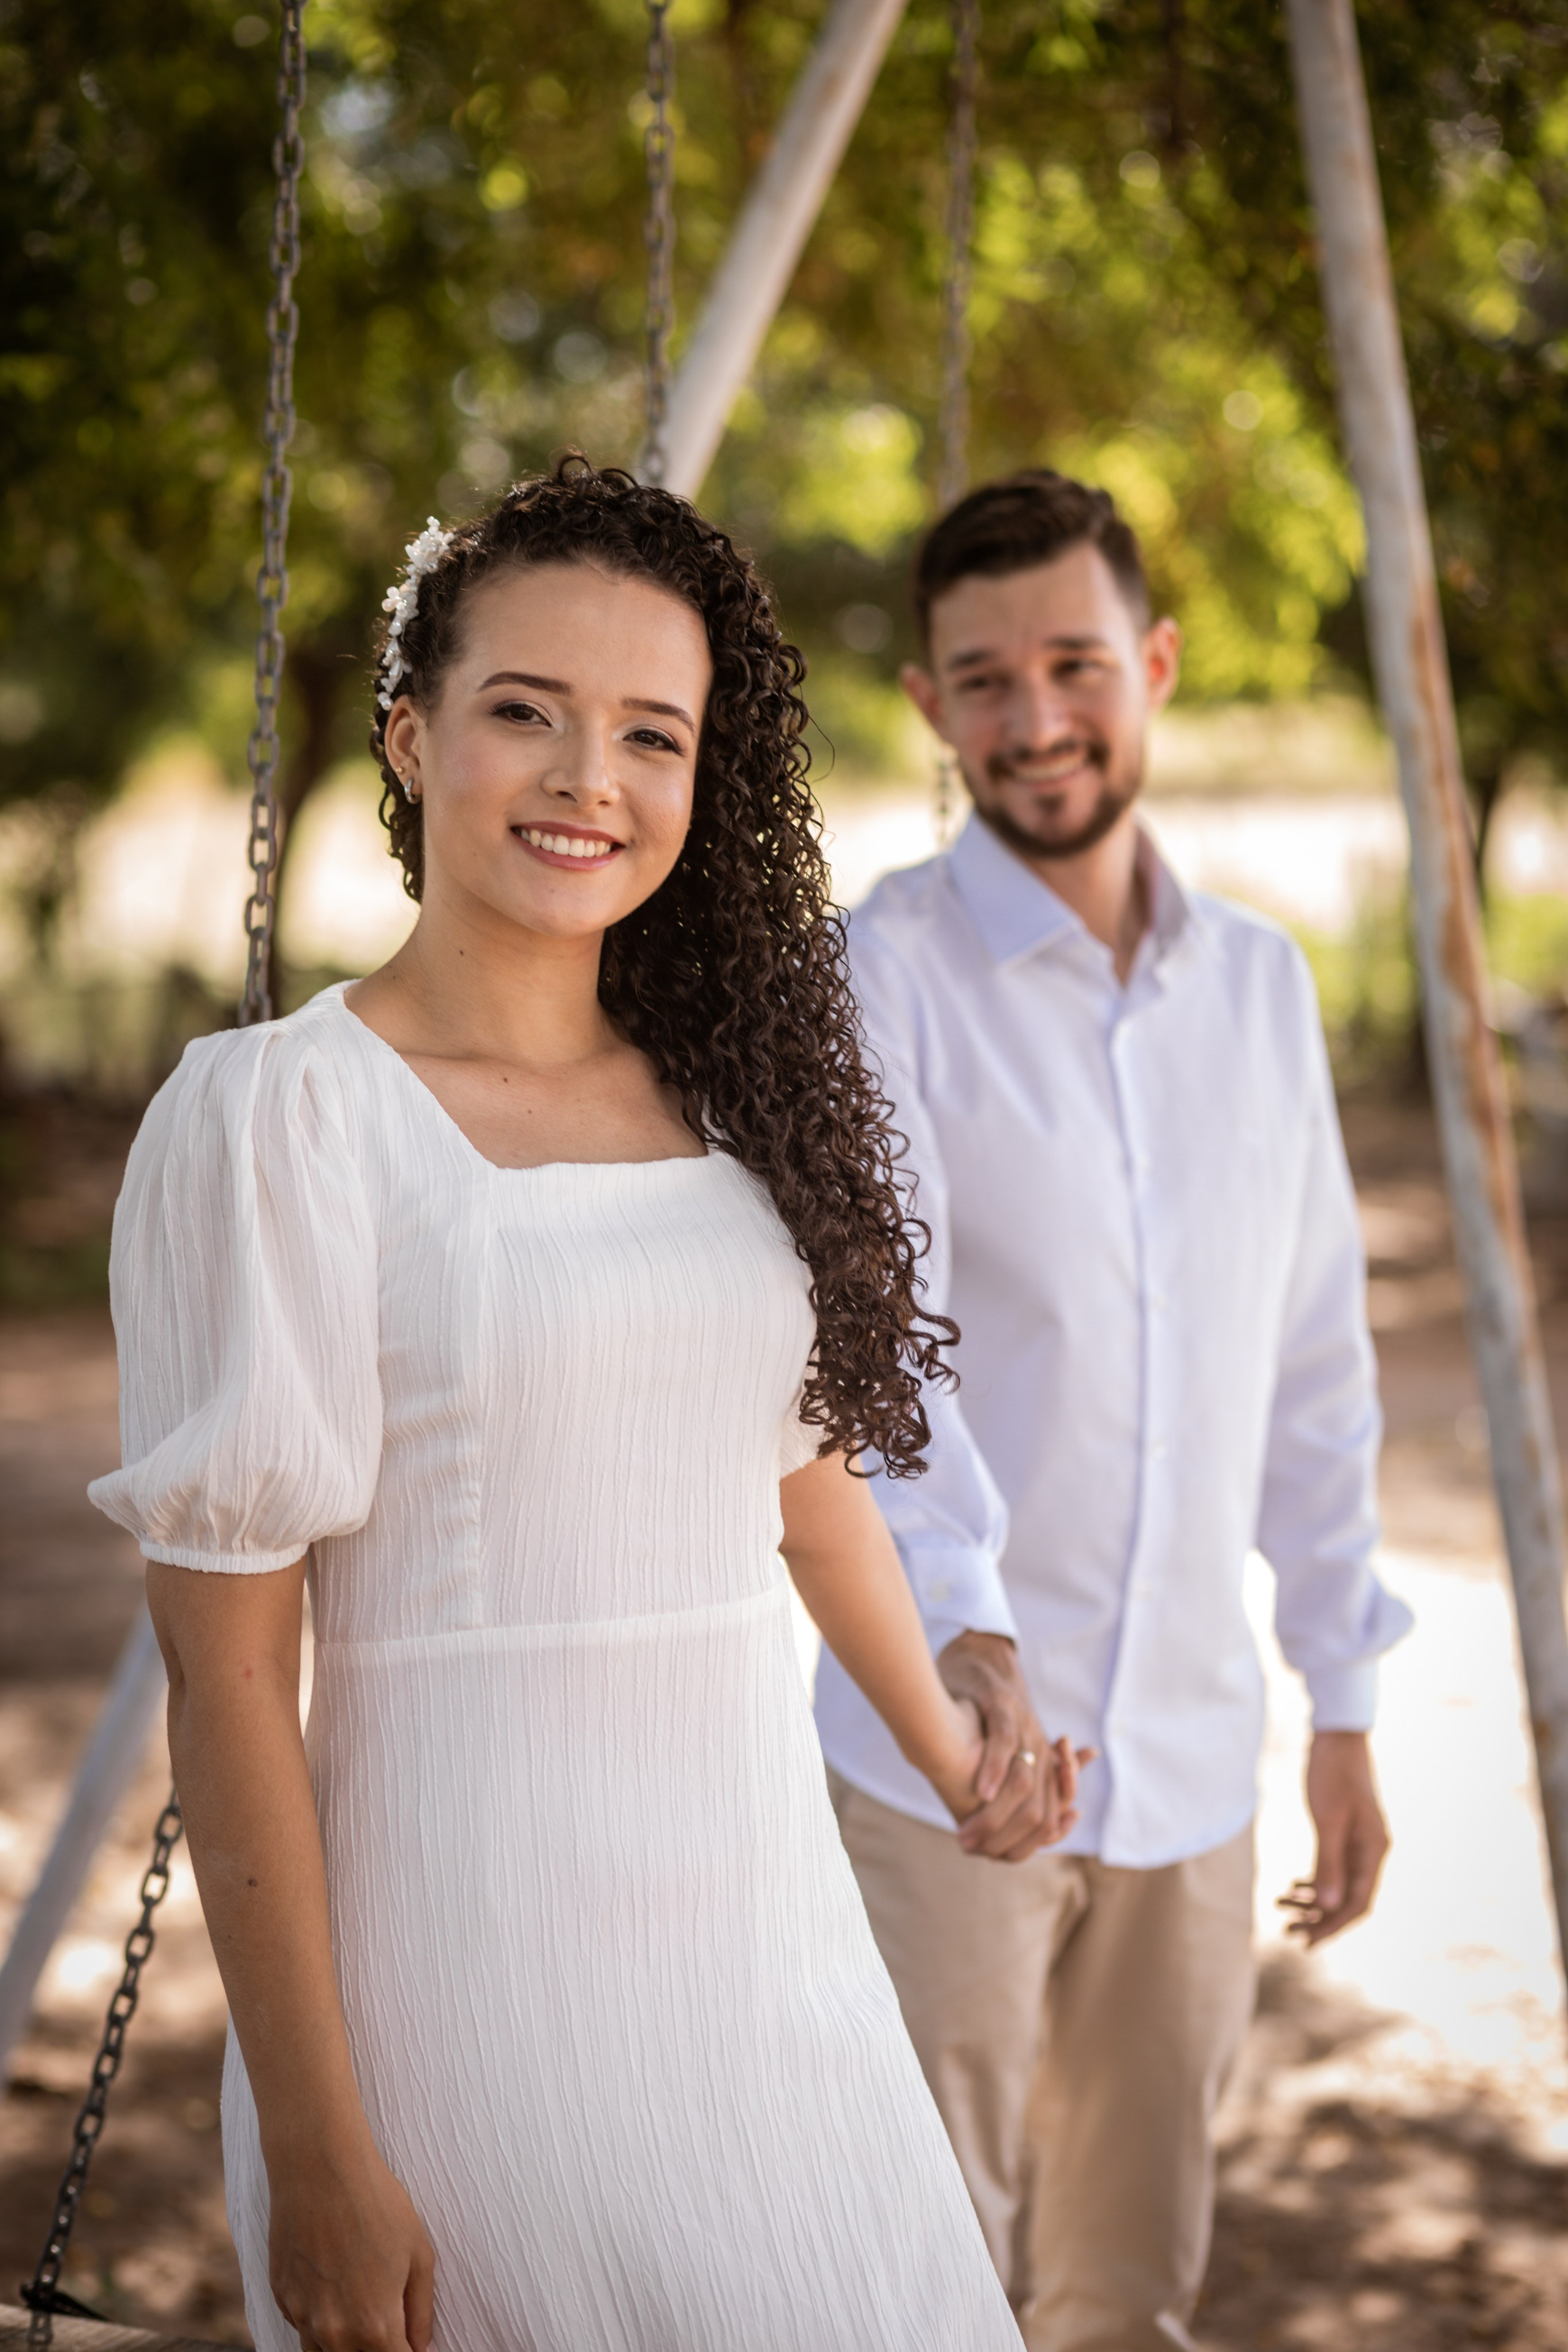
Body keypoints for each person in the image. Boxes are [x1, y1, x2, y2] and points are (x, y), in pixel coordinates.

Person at [89, 459, 1036, 2352]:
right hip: (468, 2005)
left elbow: (804, 1485)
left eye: (650, 734)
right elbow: (224, 1684)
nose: (587, 778)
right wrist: (325, 2145)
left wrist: (948, 1744)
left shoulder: (732, 1106)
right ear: (411, 735)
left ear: (707, 780)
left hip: (773, 1971)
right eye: (527, 711)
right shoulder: (280, 1118)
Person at [815, 469, 1415, 2352]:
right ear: (929, 705)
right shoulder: (883, 975)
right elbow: (871, 1361)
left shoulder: (1259, 985)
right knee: (910, 2281)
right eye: (982, 679)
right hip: (942, 1756)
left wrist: (1346, 1696)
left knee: (1128, 2296)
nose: (1037, 717)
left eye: (1074, 663)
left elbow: (1314, 1364)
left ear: (1152, 665)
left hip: (1189, 1757)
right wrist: (963, 1645)